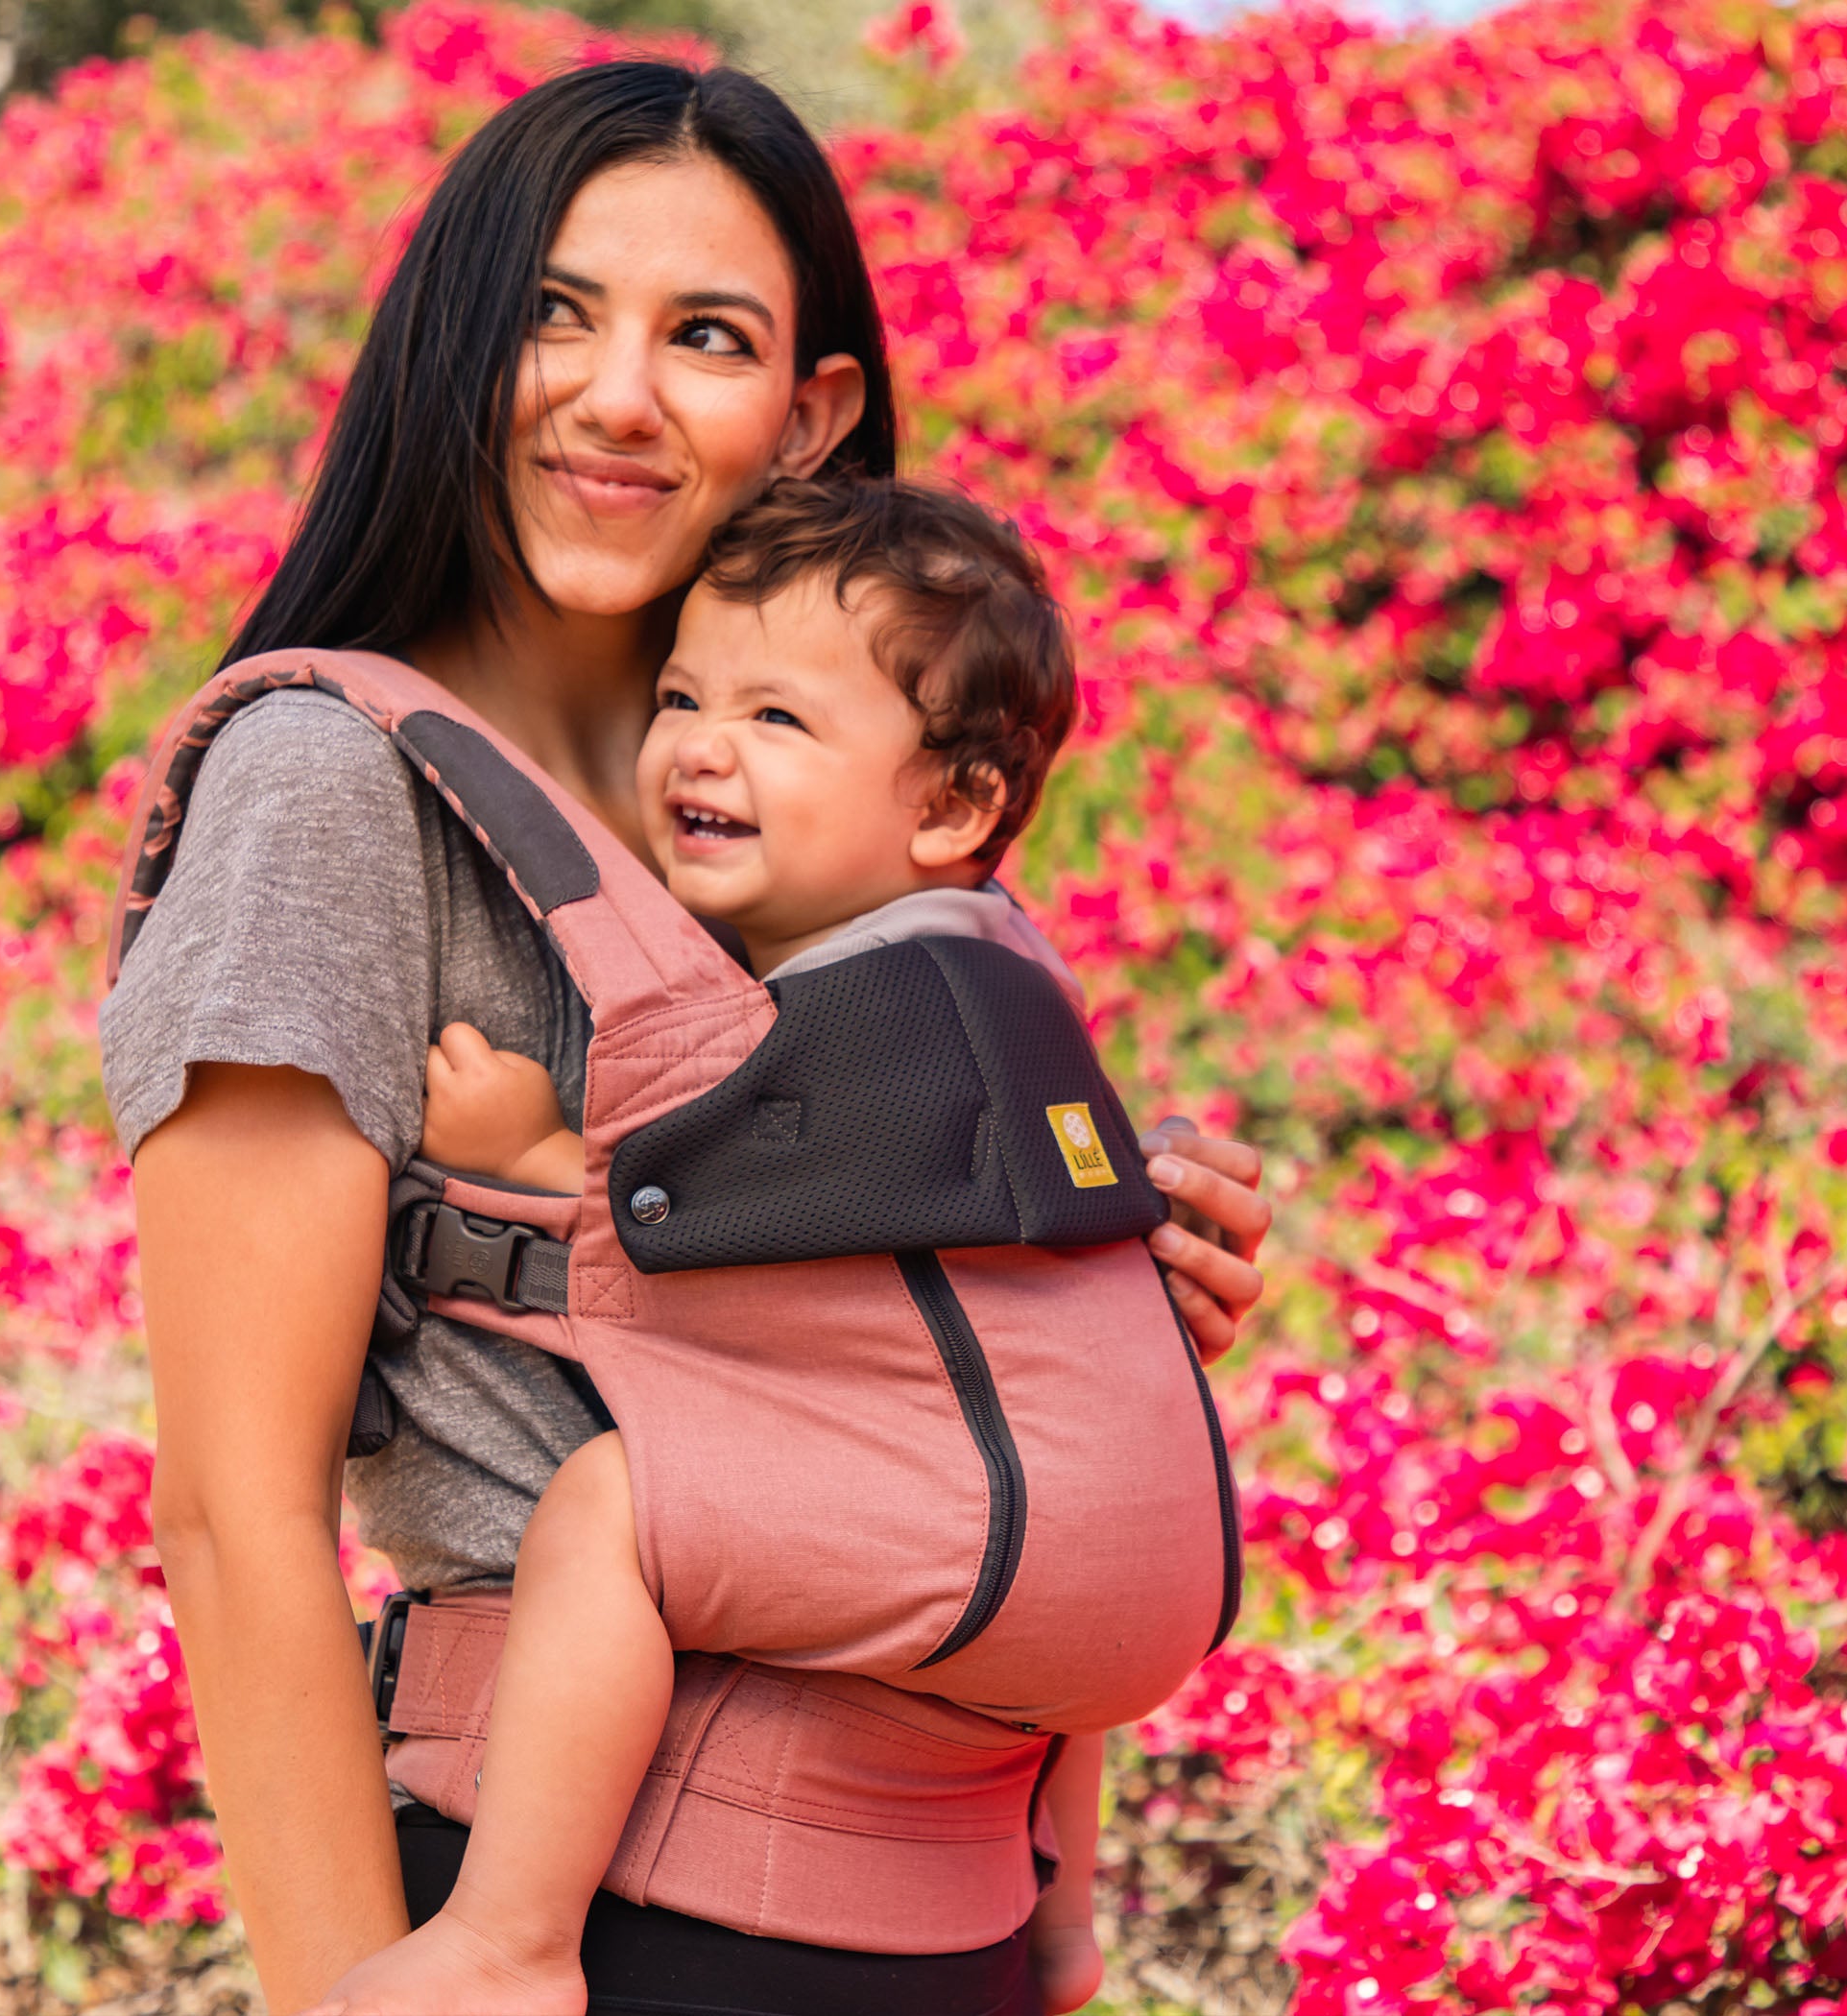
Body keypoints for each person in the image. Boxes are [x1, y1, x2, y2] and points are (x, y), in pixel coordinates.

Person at [102, 60, 1270, 2016]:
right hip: (601, 1918)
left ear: (811, 413)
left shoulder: (790, 802)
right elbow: (235, 1511)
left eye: (703, 336)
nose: (615, 394)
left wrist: (1105, 1277)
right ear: (454, 350)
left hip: (947, 1913)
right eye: (552, 314)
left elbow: (874, 1298)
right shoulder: (329, 789)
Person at [313, 474, 1193, 2016]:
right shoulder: (1007, 978)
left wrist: (529, 1151)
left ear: (949, 808)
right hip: (1131, 1560)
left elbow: (729, 1216)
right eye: (680, 696)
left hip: (994, 1540)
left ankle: (505, 1943)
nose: (699, 748)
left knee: (610, 1513)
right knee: (1026, 1637)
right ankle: (1060, 1930)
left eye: (778, 720)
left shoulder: (889, 989)